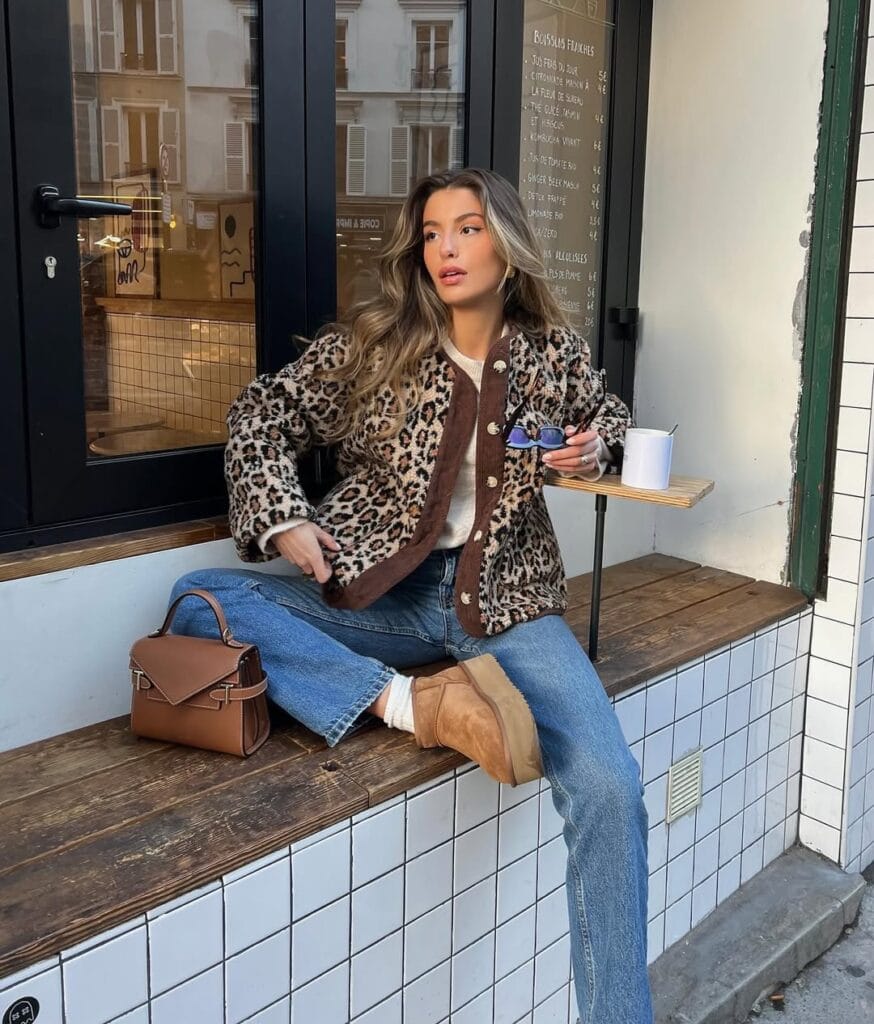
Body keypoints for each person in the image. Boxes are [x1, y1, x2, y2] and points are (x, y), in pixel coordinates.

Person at [169, 167, 652, 1023]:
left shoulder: (552, 351)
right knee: (202, 596)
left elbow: (607, 417)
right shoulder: (377, 343)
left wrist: (591, 449)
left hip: (508, 606)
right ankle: (415, 705)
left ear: (506, 243)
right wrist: (285, 521)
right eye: (432, 233)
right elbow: (260, 414)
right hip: (385, 597)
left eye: (466, 229)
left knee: (611, 787)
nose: (446, 250)